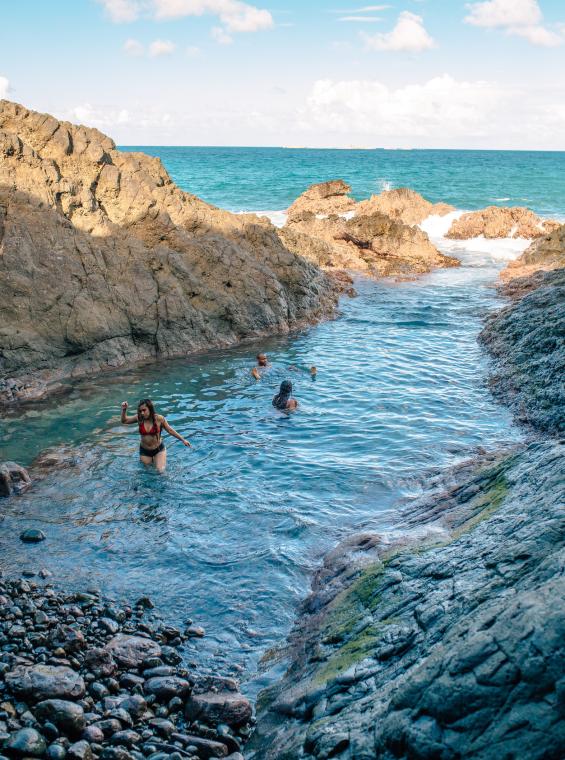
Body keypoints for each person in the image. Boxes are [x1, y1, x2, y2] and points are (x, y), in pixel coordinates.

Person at [121, 398, 191, 473]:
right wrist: (124, 410)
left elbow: (170, 430)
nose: (142, 413)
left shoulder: (159, 419)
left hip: (158, 450)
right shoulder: (139, 418)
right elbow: (124, 421)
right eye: (140, 411)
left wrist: (183, 440)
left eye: (144, 410)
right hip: (145, 451)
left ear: (150, 409)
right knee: (147, 473)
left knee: (160, 472)